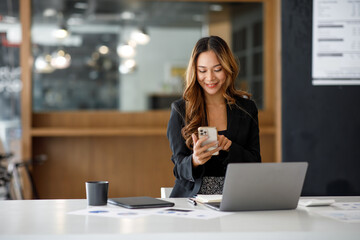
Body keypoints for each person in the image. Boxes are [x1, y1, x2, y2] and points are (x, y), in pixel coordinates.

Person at [167, 36, 261, 198]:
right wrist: (195, 160)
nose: (210, 78)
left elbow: (255, 163)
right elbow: (178, 169)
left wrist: (230, 147)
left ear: (228, 68)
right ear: (195, 72)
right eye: (202, 71)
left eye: (217, 69)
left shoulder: (246, 109)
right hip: (193, 200)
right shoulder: (181, 109)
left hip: (236, 196)